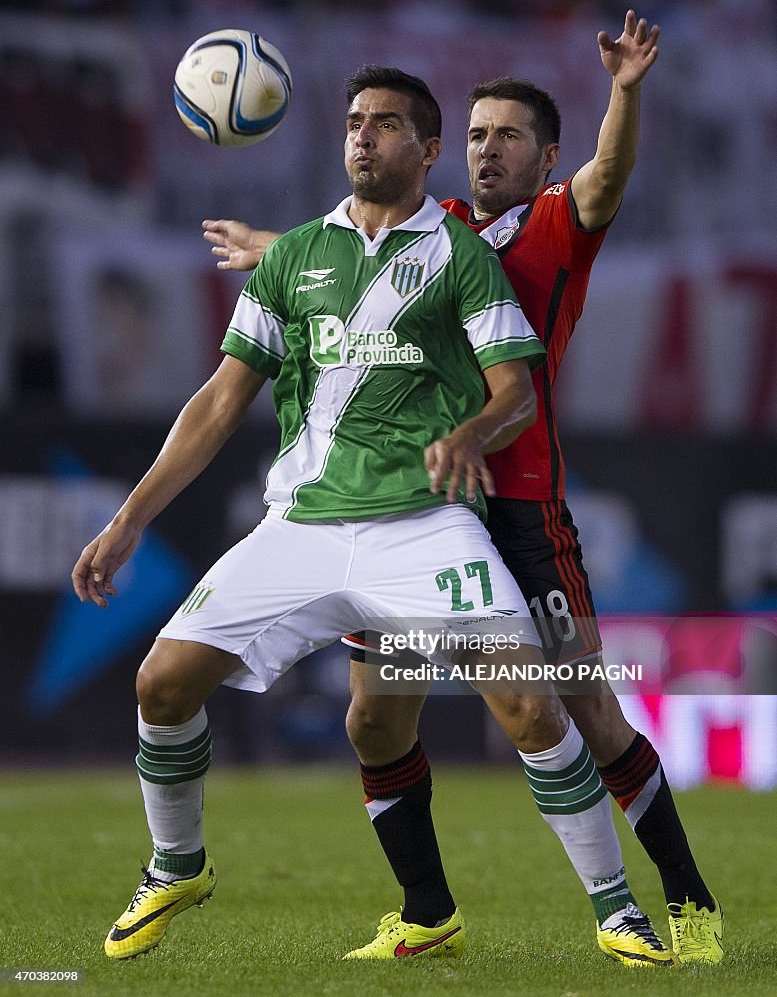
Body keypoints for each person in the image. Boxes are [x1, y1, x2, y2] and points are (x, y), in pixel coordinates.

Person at [72, 65, 630, 965]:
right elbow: (220, 399)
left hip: (423, 523)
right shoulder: (295, 256)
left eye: (386, 124)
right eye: (354, 122)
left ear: (427, 149)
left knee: (529, 705)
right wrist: (129, 519)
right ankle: (176, 864)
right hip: (302, 525)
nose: (363, 136)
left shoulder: (462, 257)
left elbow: (516, 393)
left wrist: (471, 433)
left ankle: (617, 912)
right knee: (160, 686)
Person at [202, 12, 722, 967]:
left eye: (508, 136)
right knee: (374, 712)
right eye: (476, 135)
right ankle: (425, 910)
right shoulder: (436, 228)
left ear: (545, 154)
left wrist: (627, 89)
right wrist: (269, 245)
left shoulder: (563, 220)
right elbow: (354, 254)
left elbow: (610, 175)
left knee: (586, 709)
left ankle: (686, 900)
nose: (487, 150)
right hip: (420, 512)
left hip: (520, 509)